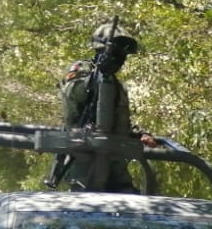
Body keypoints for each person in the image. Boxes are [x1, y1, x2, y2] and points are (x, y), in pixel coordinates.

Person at [53, 21, 155, 192]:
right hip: (84, 166)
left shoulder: (116, 86)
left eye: (123, 55)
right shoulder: (83, 71)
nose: (120, 59)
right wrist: (99, 77)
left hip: (115, 167)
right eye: (115, 53)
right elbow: (73, 93)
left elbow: (118, 123)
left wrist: (139, 134)